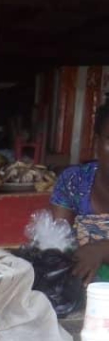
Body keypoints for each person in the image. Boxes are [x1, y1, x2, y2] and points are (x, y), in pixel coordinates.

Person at [50, 101, 109, 284]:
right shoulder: (74, 181)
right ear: (96, 142)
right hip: (84, 294)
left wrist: (102, 249)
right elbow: (57, 243)